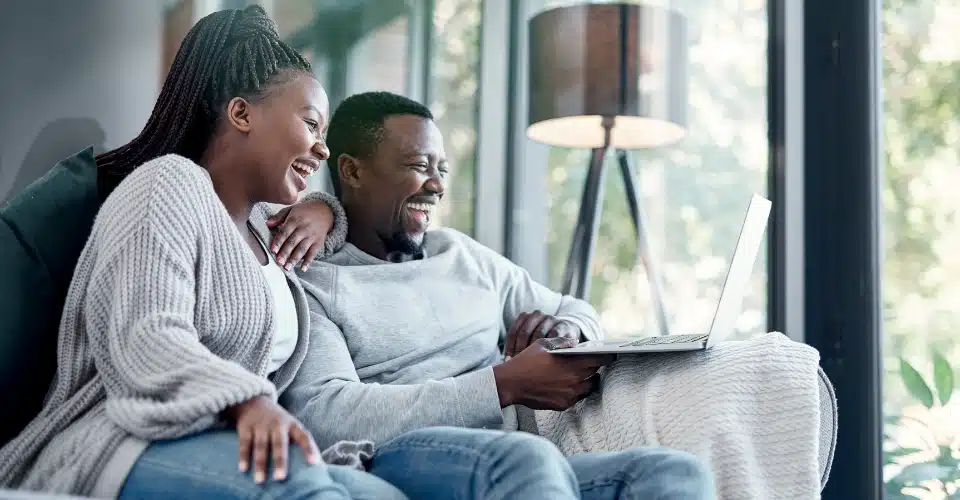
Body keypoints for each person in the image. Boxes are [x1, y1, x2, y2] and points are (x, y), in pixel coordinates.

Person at [0, 8, 603, 500]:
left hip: (225, 439)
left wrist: (326, 209)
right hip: (120, 442)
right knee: (310, 493)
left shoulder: (268, 229)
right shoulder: (166, 186)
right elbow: (145, 338)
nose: (320, 146)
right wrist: (250, 400)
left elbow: (346, 234)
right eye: (310, 124)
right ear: (241, 113)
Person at [275, 91, 827, 499]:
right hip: (408, 451)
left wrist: (565, 332)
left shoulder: (461, 255)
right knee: (529, 459)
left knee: (674, 474)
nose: (437, 185)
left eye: (441, 169)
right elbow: (327, 414)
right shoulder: (317, 280)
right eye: (419, 166)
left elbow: (575, 308)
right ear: (351, 170)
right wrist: (504, 384)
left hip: (514, 448)